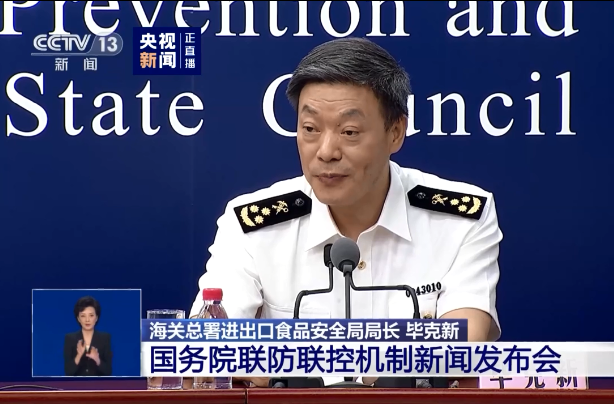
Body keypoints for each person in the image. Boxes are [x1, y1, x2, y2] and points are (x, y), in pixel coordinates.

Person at [190, 38, 502, 387]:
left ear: (396, 132)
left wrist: (283, 359)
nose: (326, 151)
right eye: (310, 129)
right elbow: (206, 349)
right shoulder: (251, 225)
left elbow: (463, 346)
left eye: (349, 132)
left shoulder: (460, 218)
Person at [64, 296, 112, 376]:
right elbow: (68, 371)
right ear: (78, 318)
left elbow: (108, 371)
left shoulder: (105, 338)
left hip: (97, 383)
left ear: (96, 318)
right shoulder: (70, 338)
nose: (87, 320)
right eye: (83, 316)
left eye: (91, 315)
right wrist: (78, 355)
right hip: (77, 383)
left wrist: (97, 360)